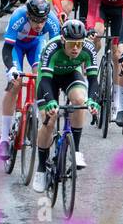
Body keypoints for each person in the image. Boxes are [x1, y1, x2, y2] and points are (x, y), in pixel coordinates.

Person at [32, 19, 100, 191]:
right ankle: (40, 168)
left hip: (71, 74)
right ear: (63, 40)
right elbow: (45, 81)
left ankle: (75, 151)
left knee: (79, 101)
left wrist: (92, 100)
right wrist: (51, 101)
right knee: (50, 120)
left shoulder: (88, 48)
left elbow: (93, 80)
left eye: (79, 43)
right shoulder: (51, 48)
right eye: (72, 44)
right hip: (48, 80)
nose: (76, 48)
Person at [0, 0, 60, 160]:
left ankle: (39, 118)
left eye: (42, 21)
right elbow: (7, 49)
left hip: (36, 45)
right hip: (15, 47)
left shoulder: (52, 21)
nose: (39, 24)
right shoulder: (18, 16)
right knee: (15, 83)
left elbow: (56, 51)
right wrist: (11, 68)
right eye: (35, 20)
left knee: (40, 75)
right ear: (28, 15)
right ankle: (4, 138)